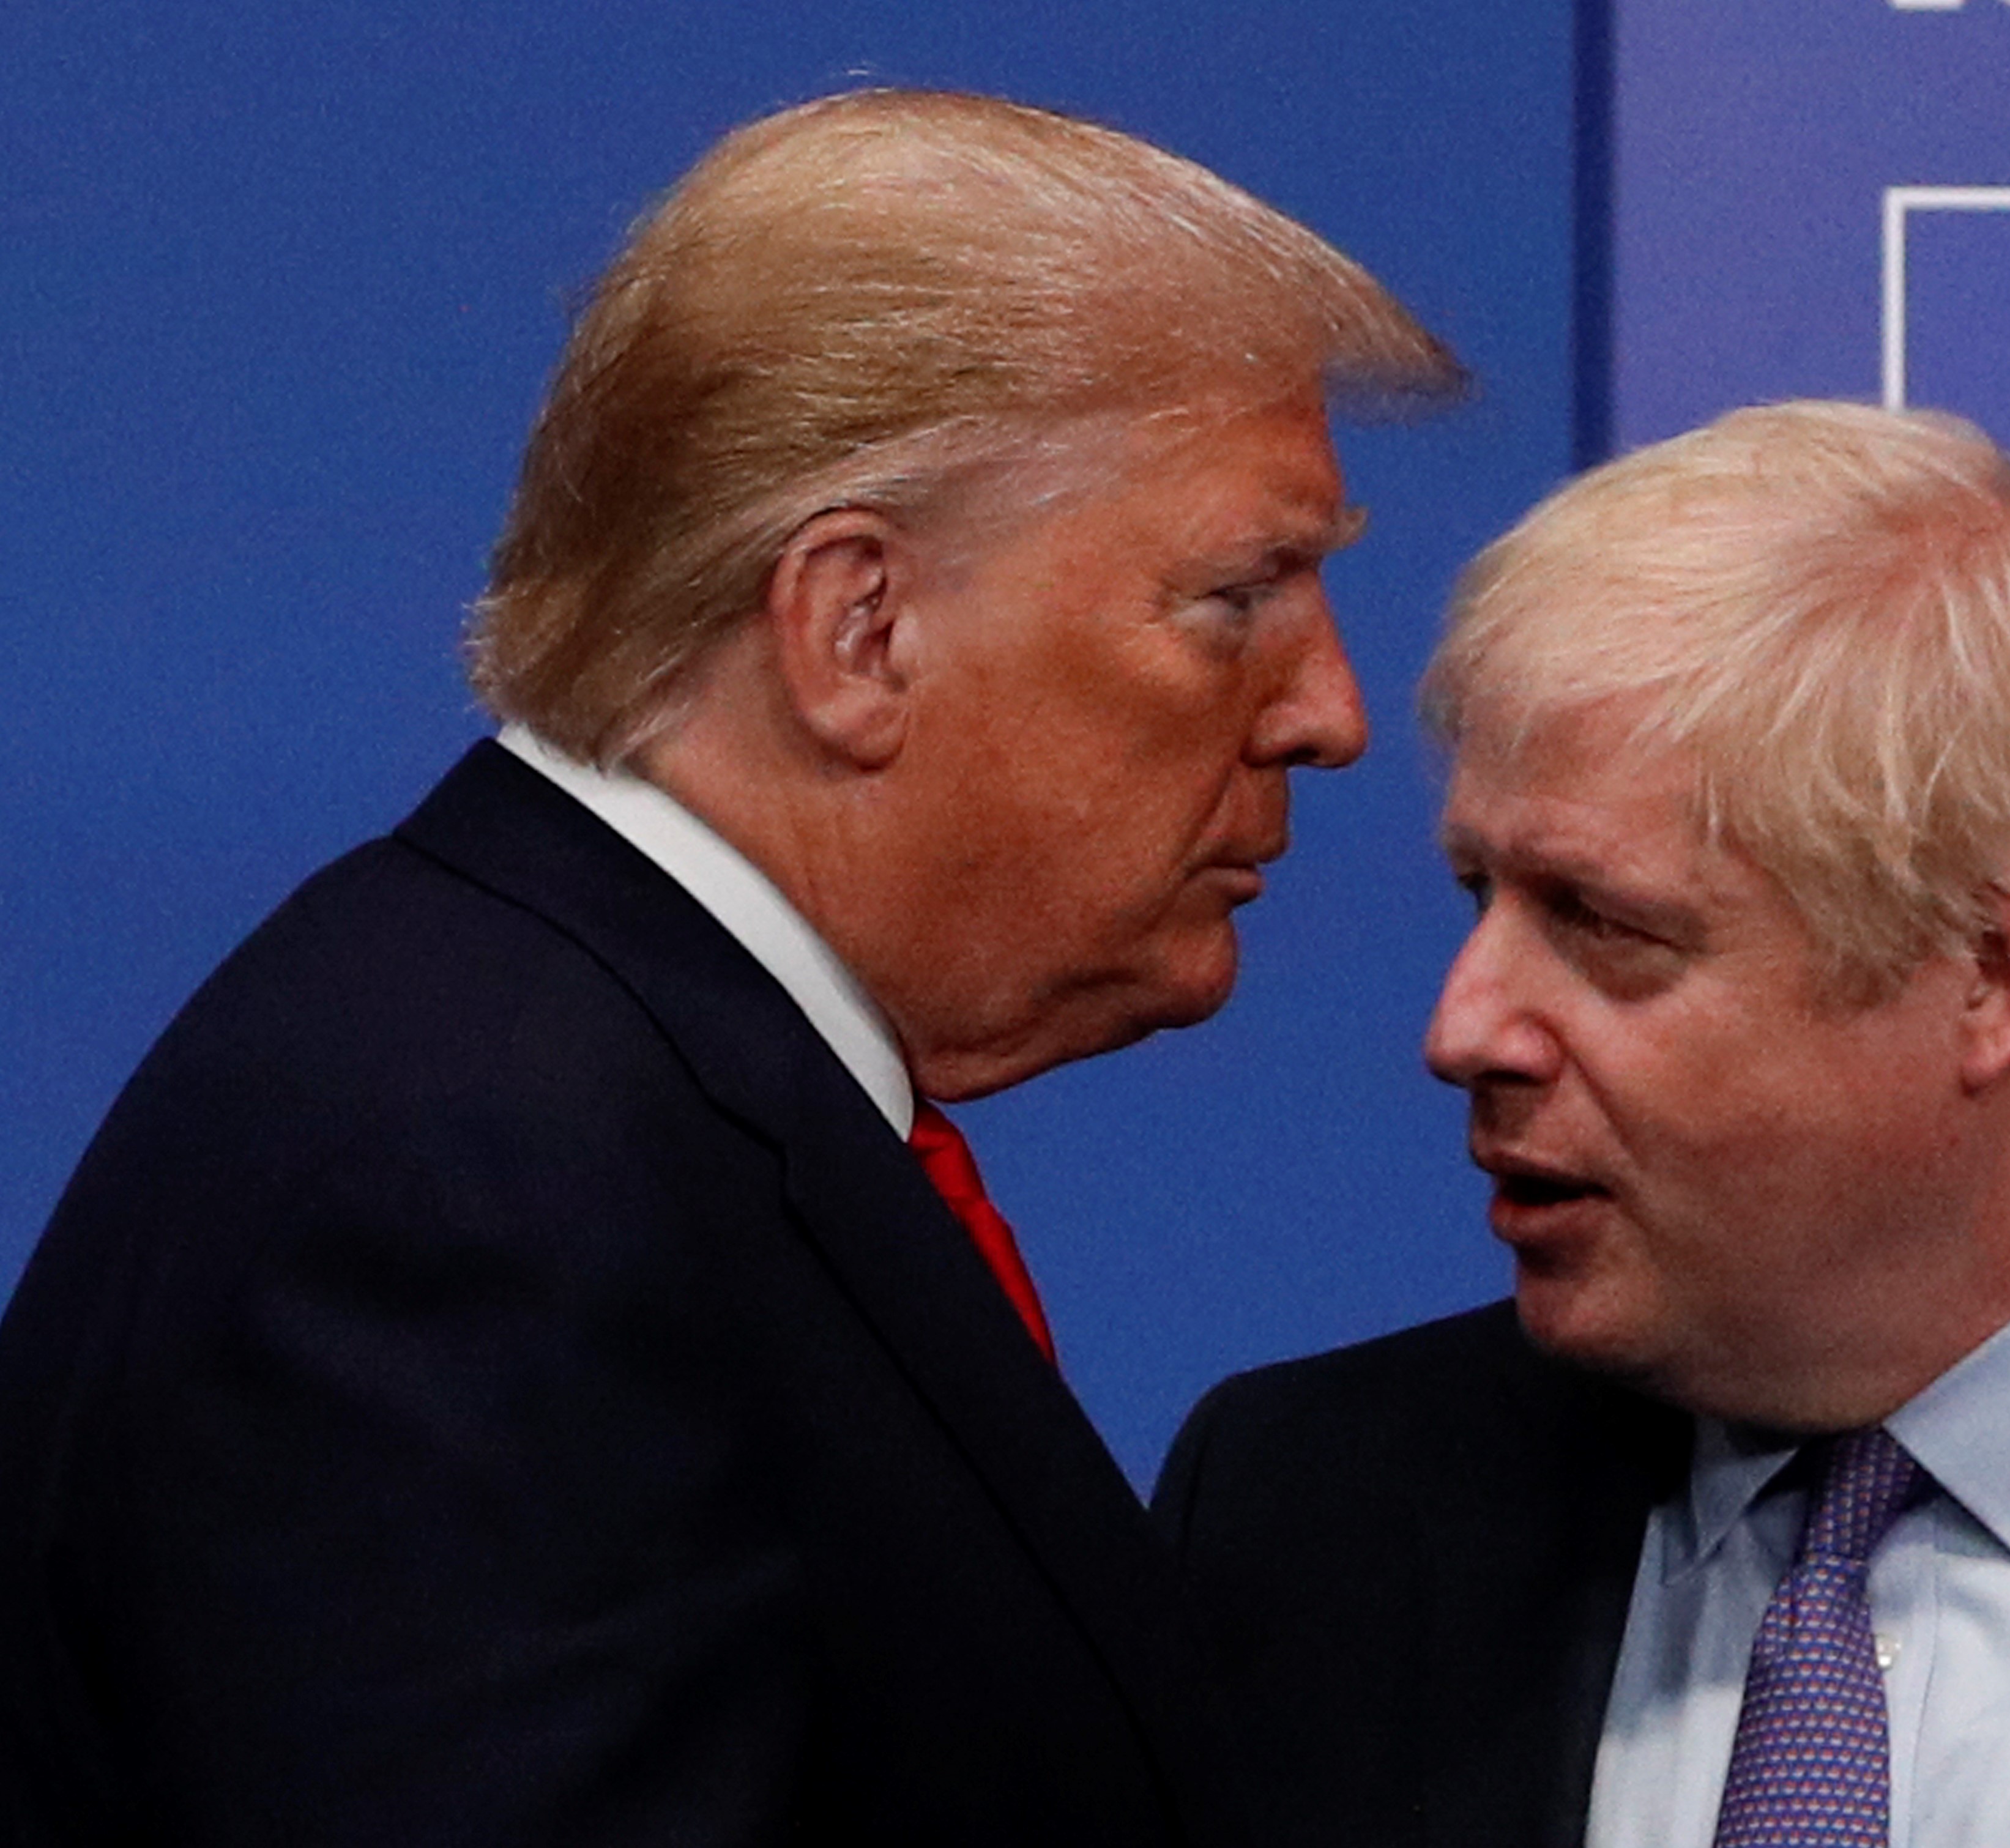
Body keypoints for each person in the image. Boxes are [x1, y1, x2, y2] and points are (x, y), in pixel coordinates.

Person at [0, 89, 1459, 1844]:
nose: (1331, 710)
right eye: (1239, 592)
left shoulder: (574, 1081)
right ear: (858, 627)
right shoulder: (475, 1186)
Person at [1154, 403, 2010, 1848]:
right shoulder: (1307, 1518)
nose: (1464, 1027)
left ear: (1988, 964)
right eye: (1482, 894)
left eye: (1600, 921)